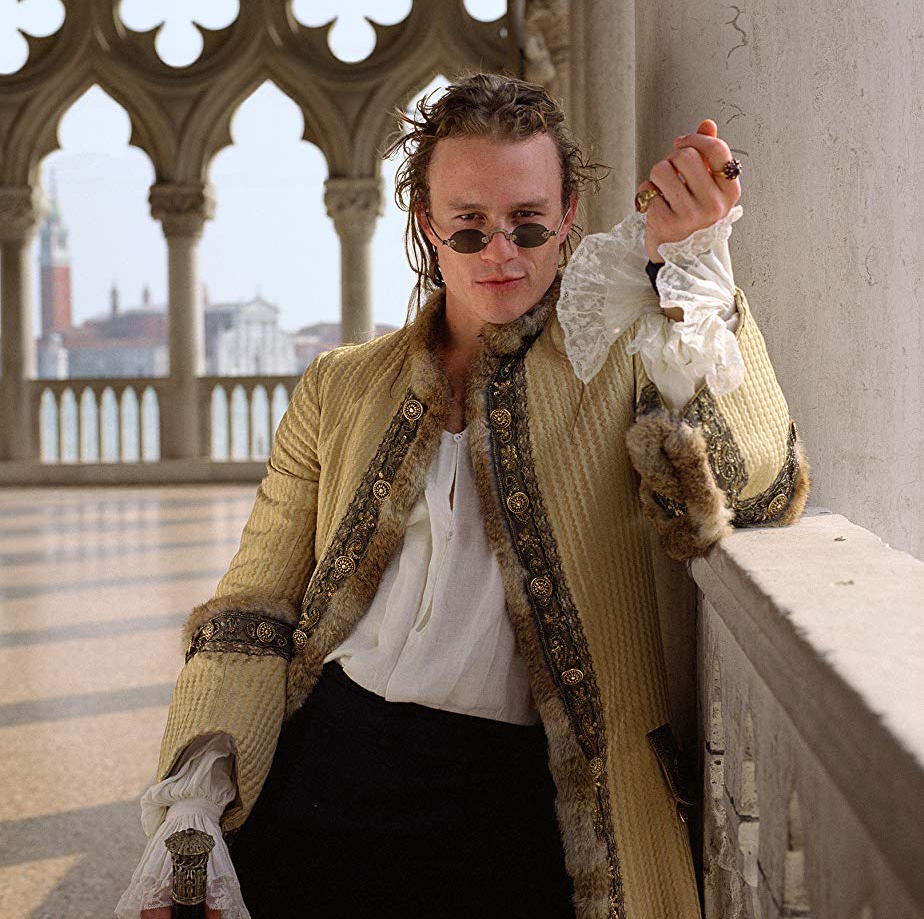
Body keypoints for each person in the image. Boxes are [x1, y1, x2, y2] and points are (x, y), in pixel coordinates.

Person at [117, 72, 808, 919]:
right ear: (427, 227)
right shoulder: (339, 386)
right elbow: (253, 608)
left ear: (568, 218)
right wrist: (190, 809)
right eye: (470, 227)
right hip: (326, 775)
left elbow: (755, 492)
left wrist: (696, 265)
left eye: (528, 223)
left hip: (526, 807)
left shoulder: (625, 360)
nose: (501, 254)